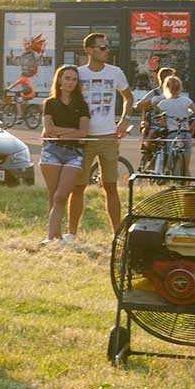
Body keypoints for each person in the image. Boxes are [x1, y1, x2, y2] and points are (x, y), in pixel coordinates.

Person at [68, 32, 132, 242]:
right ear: (89, 50)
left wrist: (123, 120)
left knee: (110, 186)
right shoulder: (77, 73)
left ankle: (117, 234)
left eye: (107, 47)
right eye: (102, 47)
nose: (107, 51)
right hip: (84, 138)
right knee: (78, 186)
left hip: (108, 137)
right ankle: (72, 233)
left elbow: (128, 97)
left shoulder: (115, 72)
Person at [38, 64, 90, 246]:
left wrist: (59, 132)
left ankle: (51, 239)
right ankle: (55, 237)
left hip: (74, 154)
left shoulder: (82, 105)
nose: (70, 82)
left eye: (74, 79)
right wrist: (70, 131)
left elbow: (83, 132)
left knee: (61, 196)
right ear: (59, 80)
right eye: (67, 78)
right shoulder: (50, 103)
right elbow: (48, 130)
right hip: (51, 151)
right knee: (53, 195)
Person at [150, 70, 195, 177]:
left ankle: (171, 177)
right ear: (180, 87)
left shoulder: (163, 104)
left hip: (173, 134)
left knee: (172, 161)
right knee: (186, 164)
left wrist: (163, 122)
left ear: (166, 88)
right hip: (186, 133)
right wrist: (194, 123)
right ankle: (186, 183)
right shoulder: (186, 100)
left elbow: (160, 121)